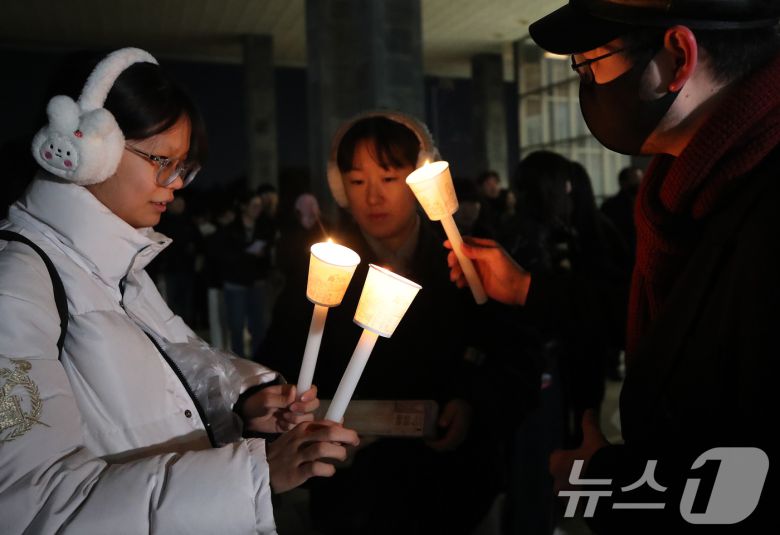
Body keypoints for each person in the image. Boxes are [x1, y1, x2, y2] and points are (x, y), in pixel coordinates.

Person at [447, 1, 780, 532]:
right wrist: (529, 288)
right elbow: (684, 324)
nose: (588, 86)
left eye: (589, 63)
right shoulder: (692, 188)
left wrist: (606, 484)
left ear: (676, 57)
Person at [0, 48, 358, 534]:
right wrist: (257, 474)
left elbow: (180, 359)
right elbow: (33, 507)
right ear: (85, 147)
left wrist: (247, 395)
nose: (175, 184)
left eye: (183, 166)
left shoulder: (119, 268)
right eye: (160, 160)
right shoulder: (16, 285)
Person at [262, 112, 525, 535]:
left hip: (456, 486)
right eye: (357, 181)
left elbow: (511, 353)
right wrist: (304, 424)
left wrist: (472, 403)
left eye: (389, 178)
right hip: (355, 496)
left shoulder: (468, 262)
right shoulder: (324, 267)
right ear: (340, 187)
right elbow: (280, 360)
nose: (373, 198)